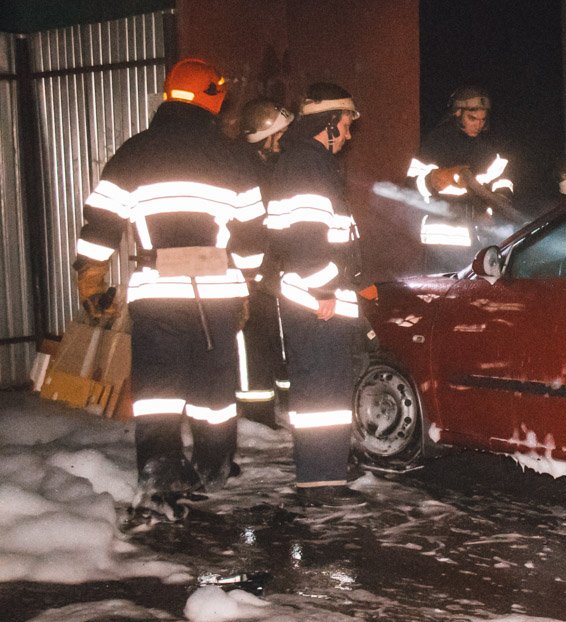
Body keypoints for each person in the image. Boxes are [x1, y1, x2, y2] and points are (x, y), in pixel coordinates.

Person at [74, 57, 266, 515]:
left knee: (158, 389)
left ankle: (160, 473)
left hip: (157, 292)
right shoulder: (235, 159)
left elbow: (102, 223)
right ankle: (214, 466)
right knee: (215, 391)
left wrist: (91, 276)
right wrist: (246, 287)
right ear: (213, 100)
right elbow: (253, 238)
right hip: (218, 292)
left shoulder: (134, 153)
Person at [265, 83, 363, 504]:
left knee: (323, 392)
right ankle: (321, 484)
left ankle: (323, 476)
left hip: (315, 294)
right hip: (315, 297)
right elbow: (307, 240)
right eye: (345, 124)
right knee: (322, 393)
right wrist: (325, 288)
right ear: (328, 124)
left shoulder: (307, 163)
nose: (349, 134)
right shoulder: (309, 167)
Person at [406, 86, 516, 273]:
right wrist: (432, 180)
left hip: (480, 240)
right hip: (442, 242)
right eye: (472, 119)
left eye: (482, 120)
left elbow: (503, 180)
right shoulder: (436, 144)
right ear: (457, 113)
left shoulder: (487, 148)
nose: (478, 125)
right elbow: (411, 184)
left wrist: (499, 202)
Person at [233, 99, 294, 425]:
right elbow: (247, 230)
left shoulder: (268, 165)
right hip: (249, 274)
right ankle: (256, 416)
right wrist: (250, 274)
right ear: (264, 135)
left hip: (268, 270)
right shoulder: (245, 168)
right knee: (253, 345)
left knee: (274, 339)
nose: (283, 141)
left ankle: (281, 404)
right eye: (279, 135)